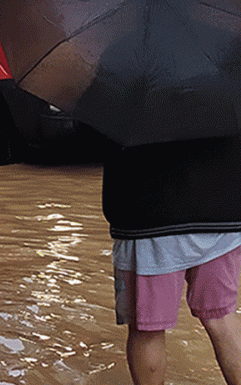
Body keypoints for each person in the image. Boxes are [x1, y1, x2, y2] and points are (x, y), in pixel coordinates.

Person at [103, 136, 241, 385]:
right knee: (222, 316)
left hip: (148, 212)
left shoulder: (124, 96)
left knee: (147, 328)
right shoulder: (228, 96)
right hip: (223, 210)